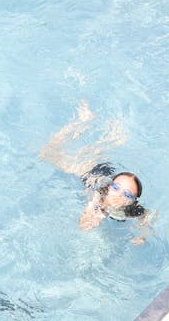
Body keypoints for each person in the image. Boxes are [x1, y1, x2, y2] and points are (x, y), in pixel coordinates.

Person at [39, 102, 151, 241]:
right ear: (109, 187)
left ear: (133, 201)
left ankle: (113, 135)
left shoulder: (132, 211)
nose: (119, 194)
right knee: (48, 153)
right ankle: (82, 121)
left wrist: (143, 234)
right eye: (116, 187)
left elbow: (148, 215)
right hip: (93, 174)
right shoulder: (99, 196)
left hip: (105, 173)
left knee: (96, 152)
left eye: (127, 194)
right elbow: (84, 224)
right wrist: (97, 213)